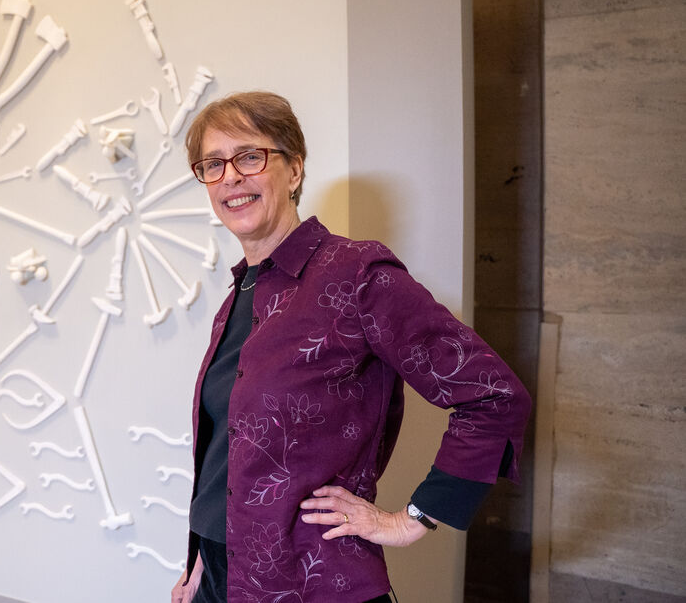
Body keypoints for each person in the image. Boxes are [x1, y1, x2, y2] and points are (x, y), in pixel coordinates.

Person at [170, 92, 530, 603]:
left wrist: (412, 518)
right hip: (221, 576)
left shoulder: (356, 275)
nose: (230, 176)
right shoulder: (241, 294)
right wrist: (203, 564)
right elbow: (230, 450)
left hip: (312, 583)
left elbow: (494, 395)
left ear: (293, 170)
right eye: (212, 164)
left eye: (249, 156)